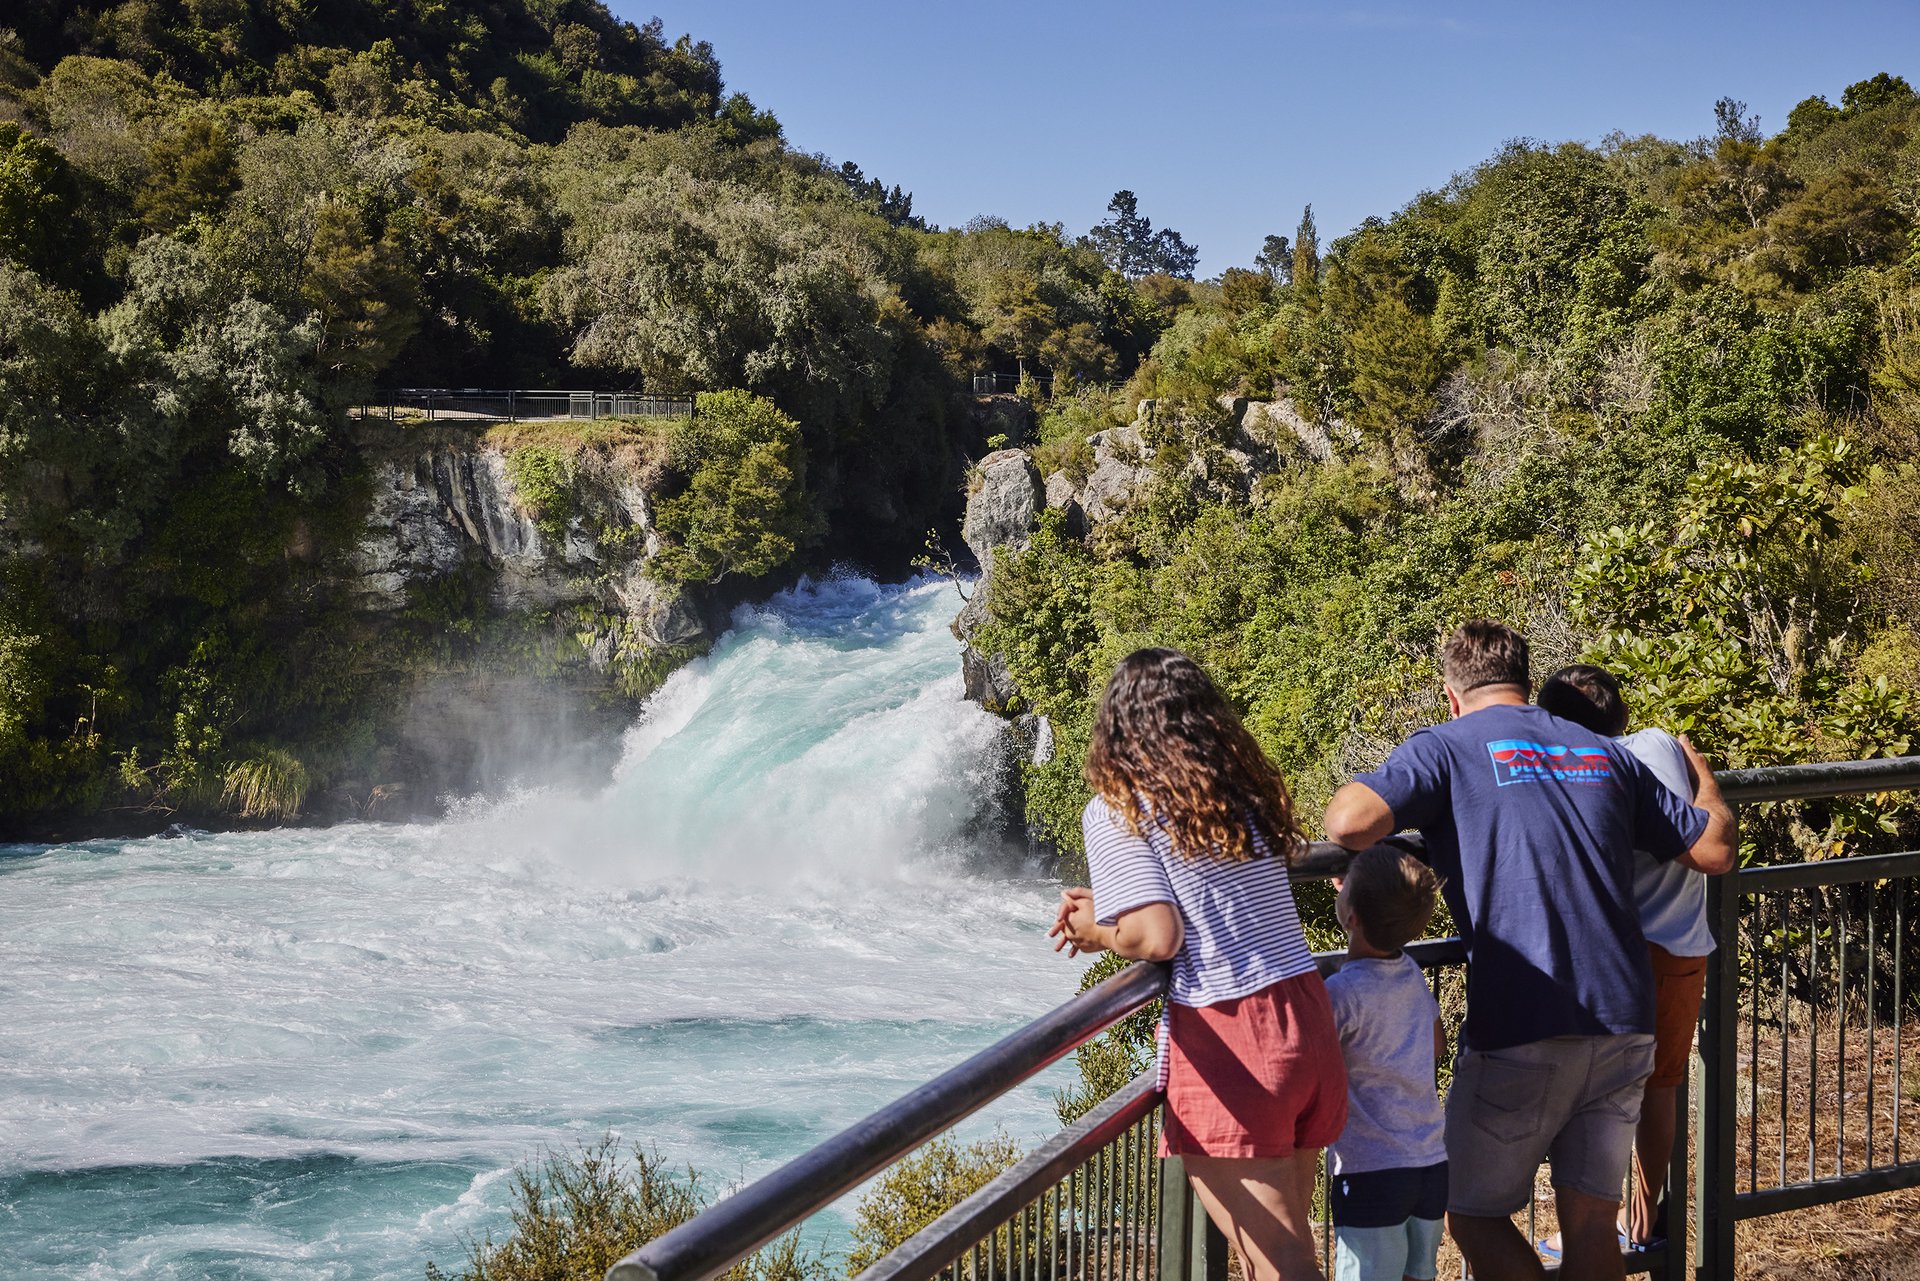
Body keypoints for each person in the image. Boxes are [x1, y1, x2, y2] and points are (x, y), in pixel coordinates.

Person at [1322, 621, 1738, 1281]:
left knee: (1472, 1213)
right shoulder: (1600, 747)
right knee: (1592, 1223)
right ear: (1524, 679)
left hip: (1524, 1017)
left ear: (1451, 695)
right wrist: (1708, 786)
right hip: (1627, 1017)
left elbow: (1348, 820)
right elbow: (1714, 848)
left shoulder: (1448, 745)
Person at [1051, 648, 1345, 1281]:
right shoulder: (1235, 792)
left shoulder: (1119, 806)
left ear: (1116, 727)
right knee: (1290, 1250)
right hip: (1304, 1010)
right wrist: (1114, 906)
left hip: (1234, 1031)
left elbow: (1158, 936)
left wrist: (1096, 929)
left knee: (1280, 1261)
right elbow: (1207, 894)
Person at [1537, 664, 1712, 1251]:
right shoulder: (1659, 743)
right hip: (1688, 948)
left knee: (1603, 1096)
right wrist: (1707, 780)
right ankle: (1640, 1222)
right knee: (1662, 1087)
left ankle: (1604, 1230)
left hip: (1631, 955)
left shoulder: (1591, 770)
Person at [1326, 845, 1448, 1281]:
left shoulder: (1341, 994)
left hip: (1370, 1170)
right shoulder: (1412, 973)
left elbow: (1311, 1058)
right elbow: (1435, 1044)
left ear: (1352, 915)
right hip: (1430, 1162)